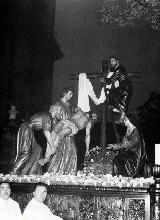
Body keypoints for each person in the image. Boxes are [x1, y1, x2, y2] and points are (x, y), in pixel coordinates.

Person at [107, 108, 150, 177]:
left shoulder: (135, 130)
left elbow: (133, 142)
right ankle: (122, 175)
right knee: (117, 158)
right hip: (129, 152)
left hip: (135, 154)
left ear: (130, 121)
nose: (124, 121)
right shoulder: (127, 131)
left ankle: (129, 175)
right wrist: (114, 146)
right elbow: (123, 143)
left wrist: (116, 146)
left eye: (125, 119)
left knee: (121, 158)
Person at [46, 87, 77, 174]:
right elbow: (52, 117)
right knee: (58, 152)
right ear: (65, 93)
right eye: (70, 94)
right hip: (59, 132)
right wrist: (56, 115)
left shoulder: (69, 105)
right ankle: (54, 172)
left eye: (72, 94)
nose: (71, 96)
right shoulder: (57, 104)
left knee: (71, 151)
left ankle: (68, 173)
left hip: (68, 133)